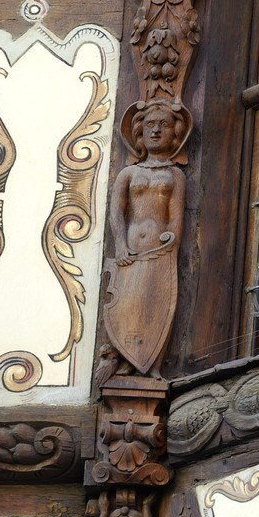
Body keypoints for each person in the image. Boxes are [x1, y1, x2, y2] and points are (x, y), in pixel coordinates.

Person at [103, 101, 186, 376]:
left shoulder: (175, 175)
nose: (155, 131)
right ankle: (128, 357)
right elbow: (117, 211)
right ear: (139, 133)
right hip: (131, 250)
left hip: (160, 250)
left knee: (157, 302)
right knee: (129, 302)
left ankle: (153, 364)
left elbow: (175, 215)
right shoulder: (129, 173)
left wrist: (172, 237)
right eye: (150, 125)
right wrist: (120, 245)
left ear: (175, 133)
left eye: (163, 125)